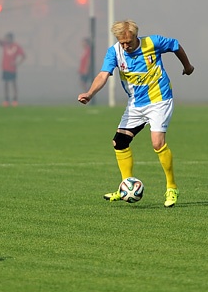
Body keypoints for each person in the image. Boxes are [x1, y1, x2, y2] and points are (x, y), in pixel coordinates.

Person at [78, 20, 194, 208]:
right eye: (122, 42)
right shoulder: (114, 52)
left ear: (135, 36)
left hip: (160, 99)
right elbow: (102, 75)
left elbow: (176, 46)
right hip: (136, 104)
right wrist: (90, 93)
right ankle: (126, 185)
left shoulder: (153, 42)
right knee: (120, 142)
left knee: (157, 142)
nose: (125, 46)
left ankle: (172, 187)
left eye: (128, 42)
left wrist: (187, 66)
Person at [0, 32, 26, 106]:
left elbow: (23, 56)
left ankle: (15, 100)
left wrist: (17, 63)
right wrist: (0, 40)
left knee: (14, 84)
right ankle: (6, 100)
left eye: (7, 38)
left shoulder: (16, 46)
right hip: (5, 67)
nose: (6, 39)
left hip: (12, 68)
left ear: (11, 38)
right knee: (6, 84)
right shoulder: (5, 45)